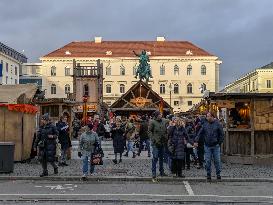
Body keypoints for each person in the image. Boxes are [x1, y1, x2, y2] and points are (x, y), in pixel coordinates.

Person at [194, 112, 224, 181]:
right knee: (207, 161)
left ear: (213, 117)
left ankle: (218, 174)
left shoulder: (218, 124)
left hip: (216, 146)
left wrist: (219, 142)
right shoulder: (205, 124)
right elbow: (200, 133)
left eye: (209, 116)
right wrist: (196, 141)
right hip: (207, 146)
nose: (208, 118)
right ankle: (208, 175)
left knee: (217, 161)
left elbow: (222, 134)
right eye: (207, 116)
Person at [148, 111, 169, 182]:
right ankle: (154, 174)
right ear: (157, 116)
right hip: (155, 143)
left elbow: (170, 121)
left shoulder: (164, 120)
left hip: (162, 142)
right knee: (155, 157)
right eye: (160, 114)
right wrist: (153, 139)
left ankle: (162, 172)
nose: (161, 115)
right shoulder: (152, 122)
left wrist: (166, 135)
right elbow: (149, 131)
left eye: (161, 114)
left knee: (161, 158)